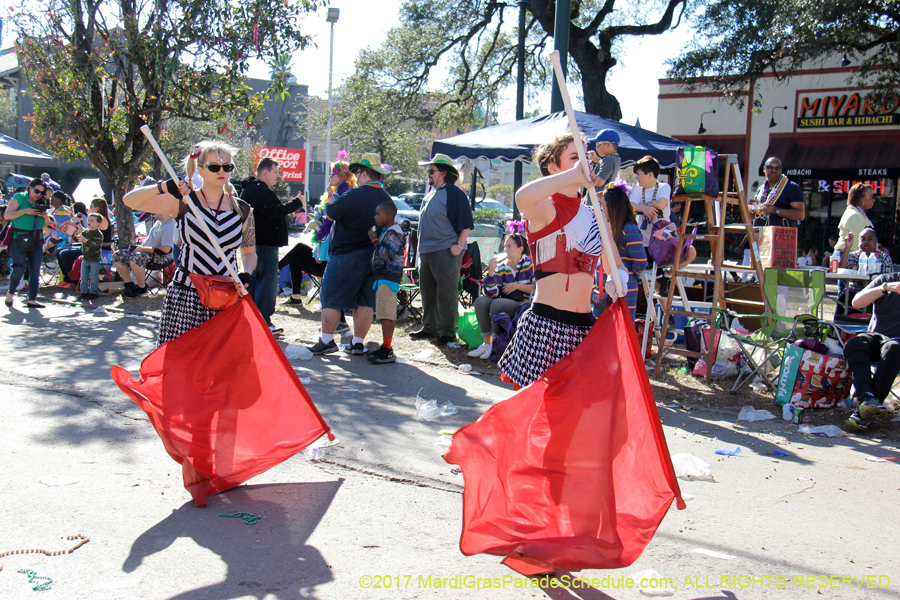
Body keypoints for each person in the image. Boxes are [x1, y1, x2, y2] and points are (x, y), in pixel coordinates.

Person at [499, 132, 624, 388]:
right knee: (541, 409)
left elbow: (615, 263)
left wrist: (618, 277)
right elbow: (522, 197)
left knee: (583, 408)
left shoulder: (595, 214)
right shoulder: (545, 208)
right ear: (553, 167)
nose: (584, 163)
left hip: (585, 328)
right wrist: (573, 176)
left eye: (586, 157)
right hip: (546, 327)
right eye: (575, 157)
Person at [122, 140, 256, 346]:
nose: (222, 171)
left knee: (221, 362)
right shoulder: (184, 203)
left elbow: (249, 252)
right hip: (187, 296)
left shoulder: (243, 209)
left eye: (227, 166)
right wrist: (163, 187)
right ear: (200, 170)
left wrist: (246, 273)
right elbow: (129, 201)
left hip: (225, 296)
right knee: (182, 361)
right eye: (214, 166)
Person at [307, 153, 392, 356]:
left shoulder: (354, 195)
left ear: (364, 174)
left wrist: (332, 197)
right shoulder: (387, 199)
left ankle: (327, 340)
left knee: (331, 297)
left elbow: (332, 212)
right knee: (365, 302)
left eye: (358, 172)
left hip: (346, 253)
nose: (356, 176)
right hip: (374, 255)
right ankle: (358, 344)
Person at [410, 154, 474, 346]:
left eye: (431, 171)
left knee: (446, 292)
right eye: (428, 171)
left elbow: (466, 223)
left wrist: (459, 246)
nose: (428, 174)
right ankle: (430, 326)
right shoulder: (432, 193)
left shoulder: (454, 193)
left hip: (445, 250)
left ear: (443, 173)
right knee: (427, 291)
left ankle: (447, 332)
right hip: (427, 251)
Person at [240, 158, 303, 334]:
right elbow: (274, 211)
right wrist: (297, 203)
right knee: (267, 282)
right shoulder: (257, 189)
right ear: (265, 172)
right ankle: (264, 320)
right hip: (263, 243)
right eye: (275, 172)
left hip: (258, 243)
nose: (278, 176)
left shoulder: (254, 188)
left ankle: (254, 318)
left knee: (256, 281)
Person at [844, 267, 900, 431]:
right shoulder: (886, 279)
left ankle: (863, 412)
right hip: (876, 336)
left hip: (896, 342)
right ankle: (867, 397)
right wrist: (886, 288)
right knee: (855, 343)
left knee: (893, 348)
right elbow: (857, 302)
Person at [467, 233, 535, 360]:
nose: (505, 249)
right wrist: (491, 272)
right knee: (480, 301)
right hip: (506, 300)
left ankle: (496, 343)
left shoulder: (529, 264)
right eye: (505, 246)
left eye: (509, 246)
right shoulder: (502, 266)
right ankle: (487, 343)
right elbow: (491, 293)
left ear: (520, 249)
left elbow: (537, 288)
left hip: (524, 303)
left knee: (497, 304)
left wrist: (516, 286)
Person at [597, 184, 647, 320]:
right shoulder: (611, 228)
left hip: (624, 289)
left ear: (613, 207)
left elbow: (641, 261)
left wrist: (628, 274)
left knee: (621, 325)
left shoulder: (629, 229)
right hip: (603, 291)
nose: (601, 209)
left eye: (603, 205)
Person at [367, 200, 406, 365]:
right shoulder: (389, 231)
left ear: (388, 216)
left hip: (389, 277)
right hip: (384, 277)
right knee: (387, 313)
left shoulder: (394, 233)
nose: (375, 217)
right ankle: (386, 346)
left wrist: (374, 240)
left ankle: (387, 349)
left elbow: (386, 254)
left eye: (378, 214)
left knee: (385, 314)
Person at [4, 178, 51, 308]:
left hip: (36, 238)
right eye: (36, 191)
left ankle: (32, 299)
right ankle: (10, 294)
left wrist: (45, 218)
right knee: (19, 268)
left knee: (35, 270)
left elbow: (46, 228)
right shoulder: (19, 197)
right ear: (30, 188)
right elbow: (7, 215)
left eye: (42, 192)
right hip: (18, 237)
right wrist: (25, 211)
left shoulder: (42, 203)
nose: (38, 194)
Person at [113, 213, 176, 298]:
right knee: (117, 255)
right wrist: (139, 248)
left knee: (136, 257)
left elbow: (165, 250)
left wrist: (142, 249)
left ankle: (141, 287)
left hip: (161, 257)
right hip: (145, 253)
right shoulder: (158, 223)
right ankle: (129, 285)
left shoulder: (170, 227)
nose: (154, 212)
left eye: (157, 210)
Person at [58, 197, 113, 287]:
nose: (89, 208)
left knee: (64, 254)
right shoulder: (97, 218)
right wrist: (74, 220)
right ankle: (68, 279)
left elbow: (86, 234)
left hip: (96, 250)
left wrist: (77, 222)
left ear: (97, 208)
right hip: (89, 247)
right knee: (59, 251)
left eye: (91, 206)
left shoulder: (101, 219)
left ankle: (75, 281)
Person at [837, 228, 893, 313]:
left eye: (870, 239)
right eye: (863, 239)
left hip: (875, 294)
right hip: (854, 293)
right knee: (843, 300)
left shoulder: (884, 258)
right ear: (858, 241)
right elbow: (842, 271)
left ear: (876, 241)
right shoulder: (853, 256)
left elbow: (888, 280)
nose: (866, 242)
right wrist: (847, 247)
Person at [751, 157, 805, 227]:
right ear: (764, 169)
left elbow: (800, 215)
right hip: (759, 232)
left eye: (777, 167)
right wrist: (751, 208)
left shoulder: (792, 187)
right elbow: (751, 218)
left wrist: (775, 210)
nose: (774, 170)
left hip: (781, 233)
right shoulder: (760, 189)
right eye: (770, 167)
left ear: (781, 169)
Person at [629, 156, 670, 247]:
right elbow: (630, 205)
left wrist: (646, 206)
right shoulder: (638, 188)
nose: (636, 177)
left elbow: (661, 204)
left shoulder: (664, 187)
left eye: (638, 174)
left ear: (650, 175)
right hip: (642, 239)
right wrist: (644, 208)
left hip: (662, 239)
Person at [833, 183, 875, 257]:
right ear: (860, 198)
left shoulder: (855, 212)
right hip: (847, 256)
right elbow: (856, 243)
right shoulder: (855, 215)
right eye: (871, 197)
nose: (873, 200)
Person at [77, 213, 105, 300]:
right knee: (83, 276)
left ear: (98, 224)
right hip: (85, 257)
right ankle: (84, 292)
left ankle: (93, 292)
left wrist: (86, 241)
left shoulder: (98, 234)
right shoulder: (85, 232)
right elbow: (77, 238)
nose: (89, 222)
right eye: (88, 220)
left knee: (93, 276)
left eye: (92, 221)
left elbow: (96, 244)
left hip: (94, 259)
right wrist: (74, 234)